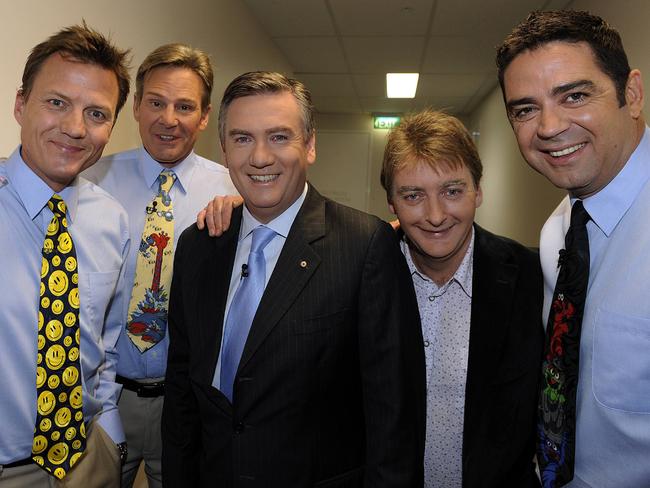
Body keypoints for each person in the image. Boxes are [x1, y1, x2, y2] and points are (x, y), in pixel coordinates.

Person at [161, 71, 426, 487]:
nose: (260, 157)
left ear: (311, 145)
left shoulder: (364, 245)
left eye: (280, 137)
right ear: (225, 149)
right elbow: (181, 394)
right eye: (243, 138)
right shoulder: (198, 246)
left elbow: (393, 413)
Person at [497, 10, 649, 488]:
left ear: (632, 94)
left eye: (575, 96)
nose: (548, 126)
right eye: (524, 109)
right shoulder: (557, 231)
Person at [82, 43, 238, 488]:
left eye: (184, 106)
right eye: (156, 102)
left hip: (188, 403)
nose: (168, 119)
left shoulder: (233, 193)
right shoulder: (89, 181)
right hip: (106, 397)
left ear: (205, 116)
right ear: (135, 106)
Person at [381, 110, 543, 488]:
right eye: (413, 195)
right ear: (391, 202)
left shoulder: (532, 279)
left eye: (453, 191)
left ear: (478, 191)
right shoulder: (364, 274)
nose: (435, 216)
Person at [0, 23, 131, 486]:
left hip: (87, 462)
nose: (75, 128)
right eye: (57, 103)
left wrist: (110, 440)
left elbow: (105, 342)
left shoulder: (111, 220)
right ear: (20, 104)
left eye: (96, 113)